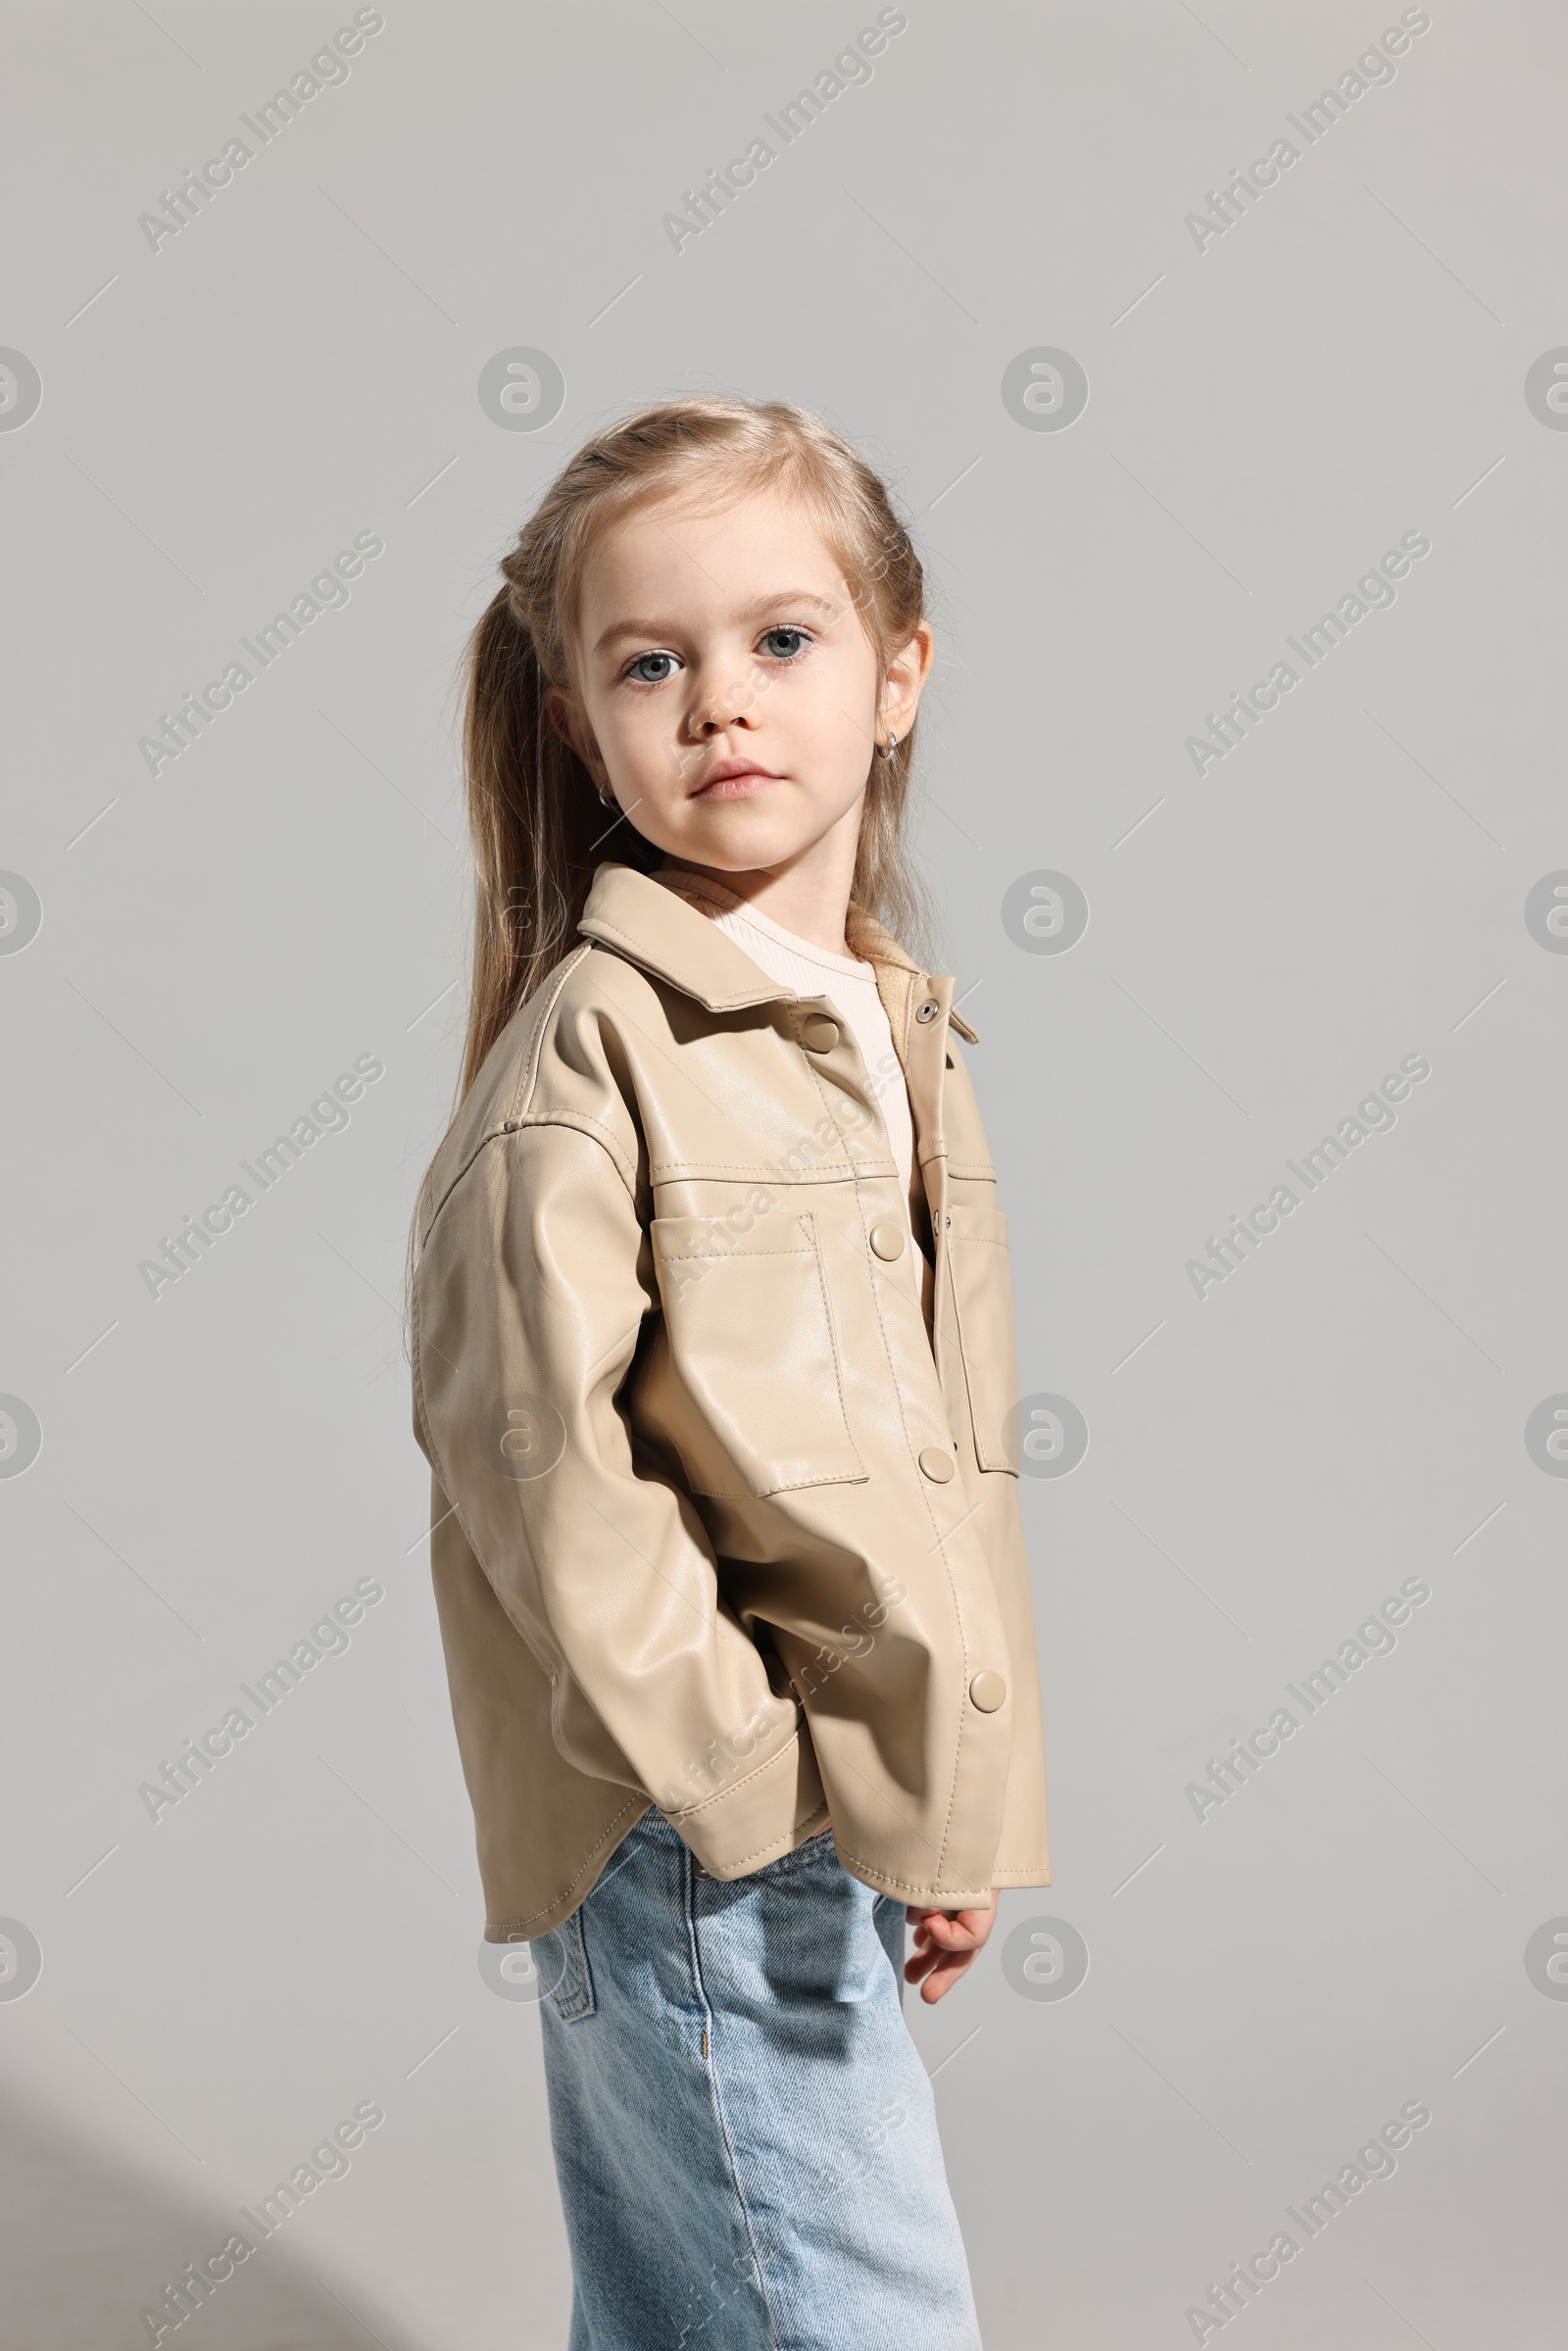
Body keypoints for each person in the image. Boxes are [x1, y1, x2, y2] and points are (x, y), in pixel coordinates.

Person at [409, 395, 1050, 2349]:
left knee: (696, 2306)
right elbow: (542, 1475)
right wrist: (754, 1793)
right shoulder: (591, 1064)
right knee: (842, 2312)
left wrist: (953, 1809)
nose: (719, 704)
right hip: (702, 1831)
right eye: (649, 661)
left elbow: (933, 1467)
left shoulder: (889, 1026)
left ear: (896, 676)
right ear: (576, 721)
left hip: (824, 1808)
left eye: (780, 641)